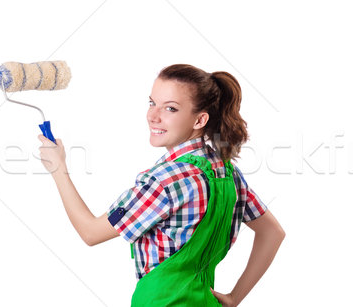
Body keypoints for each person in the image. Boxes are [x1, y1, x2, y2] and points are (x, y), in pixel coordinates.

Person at [37, 64, 285, 306]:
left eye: (171, 108)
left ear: (200, 120)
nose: (153, 116)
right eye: (152, 103)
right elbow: (272, 232)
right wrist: (233, 299)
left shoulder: (164, 180)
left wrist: (58, 169)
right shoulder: (227, 172)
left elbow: (90, 232)